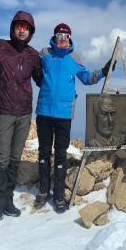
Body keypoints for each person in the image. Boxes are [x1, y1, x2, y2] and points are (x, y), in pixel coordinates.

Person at [34, 23, 114, 212]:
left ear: (70, 39)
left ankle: (59, 195)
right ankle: (43, 191)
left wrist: (103, 71)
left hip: (64, 113)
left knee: (61, 153)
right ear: (54, 37)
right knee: (44, 152)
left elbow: (87, 78)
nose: (63, 39)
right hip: (44, 111)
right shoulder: (44, 54)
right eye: (59, 36)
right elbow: (32, 67)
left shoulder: (74, 58)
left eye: (66, 36)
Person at [0, 11, 42, 229]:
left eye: (26, 28)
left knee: (14, 160)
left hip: (25, 114)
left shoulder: (33, 55)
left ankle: (8, 202)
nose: (21, 30)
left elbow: (42, 80)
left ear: (30, 32)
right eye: (18, 26)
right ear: (12, 28)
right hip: (5, 113)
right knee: (2, 160)